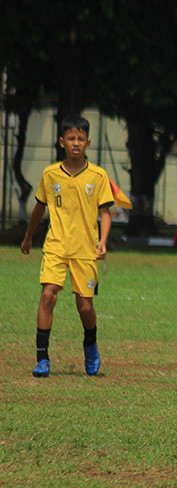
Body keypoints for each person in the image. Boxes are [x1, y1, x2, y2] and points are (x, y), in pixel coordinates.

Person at [21, 115, 113, 378]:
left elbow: (105, 212)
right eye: (71, 138)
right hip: (56, 246)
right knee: (48, 294)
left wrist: (103, 241)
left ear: (88, 142)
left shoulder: (98, 176)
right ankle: (42, 358)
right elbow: (39, 208)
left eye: (81, 139)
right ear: (62, 142)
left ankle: (90, 344)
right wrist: (28, 237)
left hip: (85, 249)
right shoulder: (50, 175)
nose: (76, 143)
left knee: (85, 307)